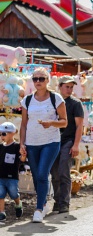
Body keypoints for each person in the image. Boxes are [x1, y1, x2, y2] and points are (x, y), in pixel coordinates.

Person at [20, 67, 67, 223]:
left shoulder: (56, 98)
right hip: (31, 143)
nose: (38, 82)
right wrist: (22, 143)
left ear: (48, 80)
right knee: (36, 176)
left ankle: (39, 209)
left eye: (41, 78)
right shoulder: (27, 100)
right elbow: (24, 125)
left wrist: (51, 123)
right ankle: (45, 202)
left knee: (41, 174)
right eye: (35, 79)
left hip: (50, 142)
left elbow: (64, 122)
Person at [50, 75, 84, 214]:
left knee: (64, 170)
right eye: (67, 86)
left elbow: (79, 126)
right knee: (54, 173)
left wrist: (76, 145)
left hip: (68, 141)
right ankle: (57, 202)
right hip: (52, 140)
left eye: (71, 87)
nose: (69, 89)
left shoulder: (75, 104)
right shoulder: (52, 102)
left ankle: (64, 203)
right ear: (59, 87)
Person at [0, 122, 26, 222]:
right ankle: (1, 212)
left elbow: (22, 160)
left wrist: (23, 155)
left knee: (13, 193)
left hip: (12, 177)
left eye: (4, 134)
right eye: (0, 133)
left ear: (13, 133)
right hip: (0, 176)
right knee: (0, 193)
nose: (2, 136)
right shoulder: (0, 147)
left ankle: (18, 204)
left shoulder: (16, 146)